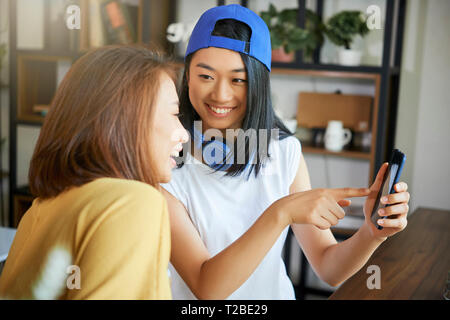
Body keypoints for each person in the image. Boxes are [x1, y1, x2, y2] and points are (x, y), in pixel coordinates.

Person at [161, 4, 410, 300]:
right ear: (187, 75)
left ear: (259, 84)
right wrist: (281, 212)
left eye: (238, 79)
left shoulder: (284, 152)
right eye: (206, 76)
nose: (221, 95)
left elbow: (329, 269)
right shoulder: (165, 161)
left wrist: (371, 233)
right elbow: (206, 287)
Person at [0, 45, 188, 299]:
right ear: (125, 118)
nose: (184, 134)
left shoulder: (39, 210)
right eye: (174, 113)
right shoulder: (132, 202)